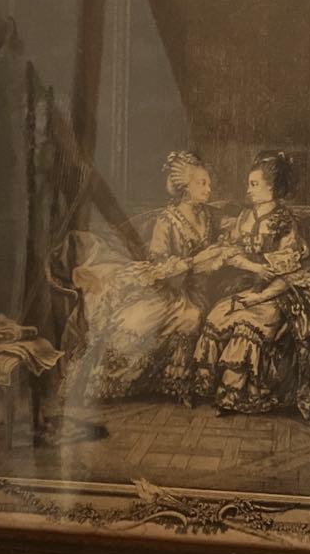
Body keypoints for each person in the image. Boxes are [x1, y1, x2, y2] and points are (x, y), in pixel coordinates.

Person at [68, 151, 222, 403]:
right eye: (202, 183)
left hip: (196, 290)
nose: (209, 189)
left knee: (194, 313)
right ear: (186, 187)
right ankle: (108, 383)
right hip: (168, 290)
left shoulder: (208, 216)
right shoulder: (168, 220)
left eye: (209, 183)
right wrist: (194, 262)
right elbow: (158, 266)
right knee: (143, 322)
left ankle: (177, 382)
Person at [193, 151, 310, 416]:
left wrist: (259, 297)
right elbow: (230, 252)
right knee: (218, 315)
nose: (248, 190)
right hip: (245, 286)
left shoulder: (285, 222)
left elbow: (291, 271)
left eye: (254, 184)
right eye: (248, 184)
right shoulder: (244, 218)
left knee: (247, 325)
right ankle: (219, 392)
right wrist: (252, 267)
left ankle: (237, 396)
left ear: (271, 187)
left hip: (277, 294)